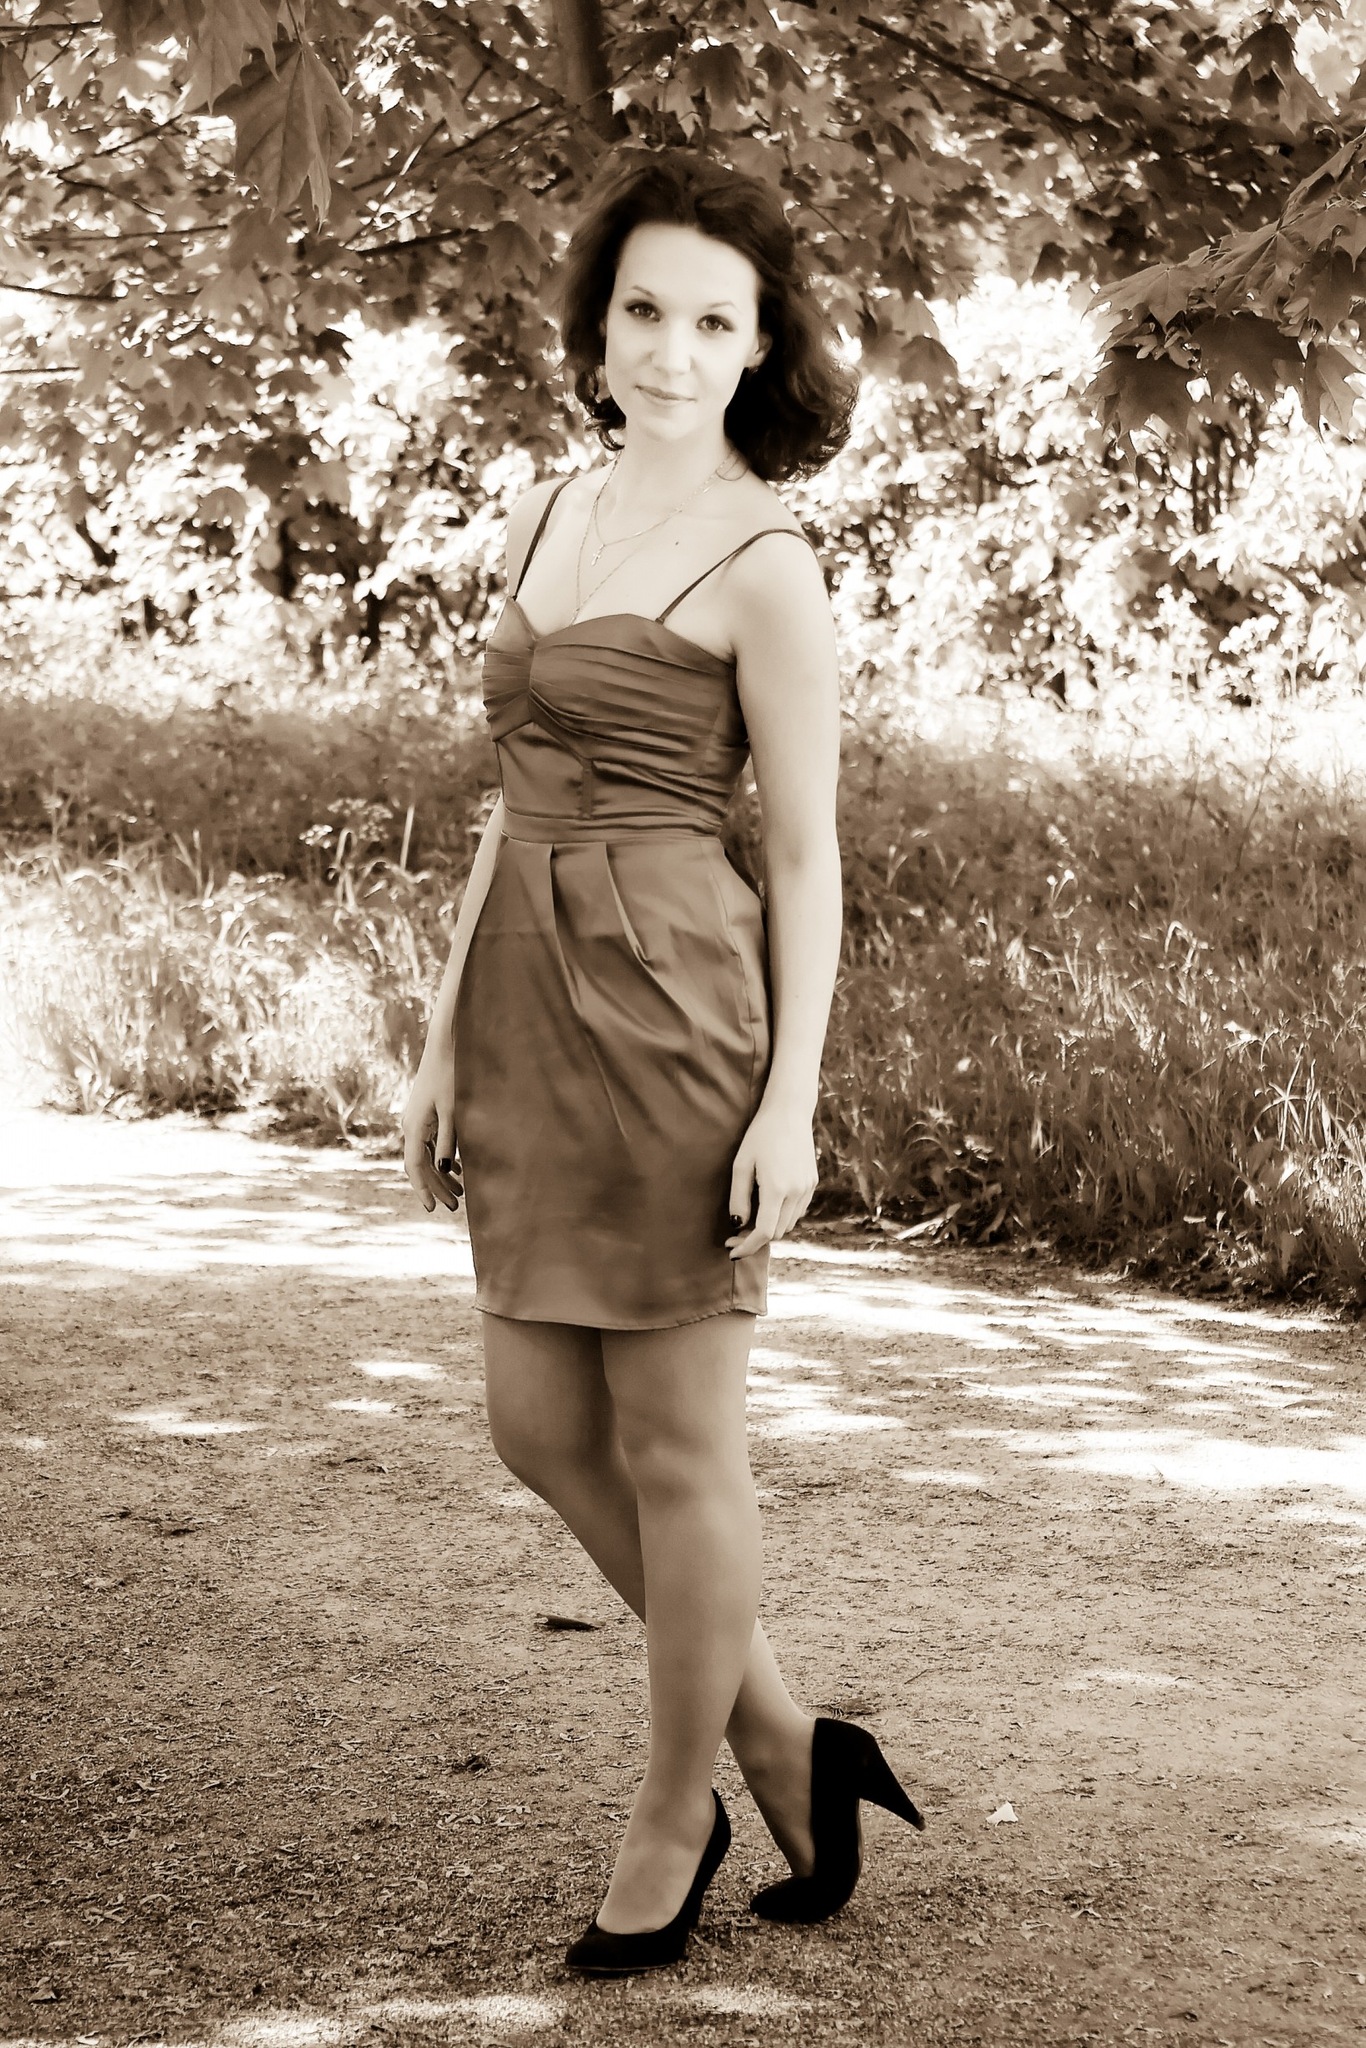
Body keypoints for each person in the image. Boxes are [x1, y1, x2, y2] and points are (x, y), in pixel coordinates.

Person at [401, 146, 923, 1977]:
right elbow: (509, 801)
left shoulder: (768, 564)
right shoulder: (545, 508)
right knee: (533, 1426)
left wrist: (790, 1105)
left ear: (760, 344)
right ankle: (787, 1743)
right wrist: (438, 1038)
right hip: (520, 1009)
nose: (670, 350)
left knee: (680, 1446)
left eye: (713, 321)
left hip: (675, 1010)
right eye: (642, 310)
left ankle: (672, 1807)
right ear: (598, 322)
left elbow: (806, 856)